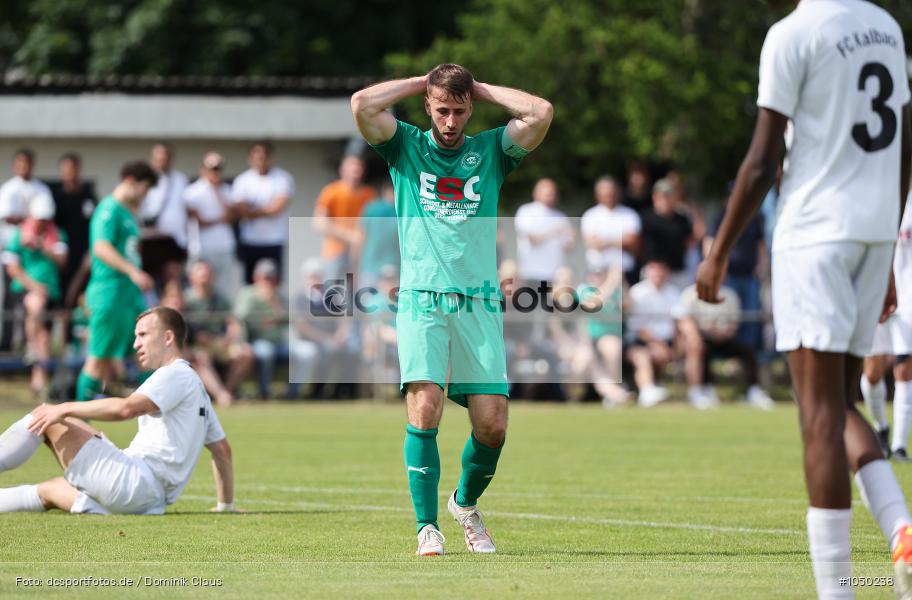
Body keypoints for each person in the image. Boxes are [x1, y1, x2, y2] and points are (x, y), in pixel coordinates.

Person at [695, 2, 912, 597]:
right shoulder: (886, 27)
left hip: (815, 234)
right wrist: (888, 245)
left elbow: (764, 160)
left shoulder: (792, 34)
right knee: (841, 404)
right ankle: (901, 528)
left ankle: (838, 591)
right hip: (871, 232)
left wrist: (716, 253)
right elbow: (906, 146)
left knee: (817, 417)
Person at [352, 62, 552, 555]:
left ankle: (463, 504)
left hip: (479, 302)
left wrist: (481, 89)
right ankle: (426, 527)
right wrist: (424, 82)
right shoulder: (404, 146)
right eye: (441, 110)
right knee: (425, 407)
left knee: (493, 424)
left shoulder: (491, 151)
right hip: (421, 298)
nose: (450, 122)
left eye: (459, 111)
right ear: (427, 106)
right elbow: (362, 104)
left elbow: (541, 112)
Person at [0, 307, 236, 515]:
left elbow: (125, 409)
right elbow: (222, 450)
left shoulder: (174, 373)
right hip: (150, 502)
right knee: (50, 490)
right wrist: (225, 506)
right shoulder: (198, 389)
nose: (136, 344)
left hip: (133, 483)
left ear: (167, 337)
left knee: (47, 416)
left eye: (143, 335)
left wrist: (63, 407)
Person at [75, 162, 157, 402]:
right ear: (131, 181)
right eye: (145, 188)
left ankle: (154, 417)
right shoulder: (108, 209)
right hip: (109, 294)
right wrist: (133, 271)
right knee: (98, 360)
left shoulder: (128, 214)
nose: (145, 194)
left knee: (147, 352)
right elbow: (100, 247)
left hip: (129, 295)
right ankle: (78, 424)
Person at [861, 187, 912, 460]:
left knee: (904, 369)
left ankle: (900, 446)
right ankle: (881, 428)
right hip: (878, 295)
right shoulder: (881, 194)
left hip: (909, 298)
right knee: (872, 373)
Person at [2, 194, 68, 396]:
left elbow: (62, 261)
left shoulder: (57, 234)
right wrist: (33, 286)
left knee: (45, 338)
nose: (42, 223)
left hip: (51, 292)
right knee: (35, 304)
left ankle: (38, 382)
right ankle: (31, 347)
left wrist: (41, 246)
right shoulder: (18, 235)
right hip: (27, 291)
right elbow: (12, 268)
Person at [677, 283, 774, 410]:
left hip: (725, 338)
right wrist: (708, 331)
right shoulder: (689, 294)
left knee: (748, 350)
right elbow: (685, 321)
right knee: (700, 348)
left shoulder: (729, 293)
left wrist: (723, 332)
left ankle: (754, 390)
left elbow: (734, 322)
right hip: (703, 338)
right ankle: (705, 389)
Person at [184, 260, 254, 407]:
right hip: (198, 345)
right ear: (191, 277)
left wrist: (231, 336)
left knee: (246, 352)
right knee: (200, 357)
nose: (205, 276)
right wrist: (195, 337)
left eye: (207, 272)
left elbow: (232, 321)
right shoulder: (186, 299)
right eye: (200, 272)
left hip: (220, 342)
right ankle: (220, 395)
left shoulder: (221, 298)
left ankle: (228, 390)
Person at [231, 141, 294, 284]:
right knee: (250, 283)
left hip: (274, 239)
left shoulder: (282, 178)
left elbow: (278, 208)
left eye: (264, 156)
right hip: (250, 240)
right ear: (250, 158)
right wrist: (266, 209)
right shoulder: (243, 180)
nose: (260, 160)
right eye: (257, 156)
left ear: (271, 157)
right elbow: (241, 210)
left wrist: (253, 211)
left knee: (273, 282)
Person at [183, 152, 243, 300]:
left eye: (218, 169)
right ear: (203, 169)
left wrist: (217, 192)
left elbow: (232, 217)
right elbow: (199, 221)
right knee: (200, 287)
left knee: (223, 289)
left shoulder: (227, 190)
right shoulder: (192, 191)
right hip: (201, 248)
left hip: (224, 246)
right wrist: (219, 219)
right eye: (212, 168)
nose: (215, 172)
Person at [314, 155, 376, 281]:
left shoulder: (369, 194)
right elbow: (318, 223)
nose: (356, 169)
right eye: (352, 165)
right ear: (342, 170)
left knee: (358, 294)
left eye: (359, 165)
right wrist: (349, 236)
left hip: (360, 254)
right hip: (335, 253)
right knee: (333, 293)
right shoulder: (331, 192)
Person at [49, 152, 97, 309]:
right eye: (66, 168)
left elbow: (96, 225)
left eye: (73, 168)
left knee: (81, 298)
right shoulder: (55, 198)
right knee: (61, 300)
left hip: (84, 256)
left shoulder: (88, 196)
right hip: (62, 258)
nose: (70, 172)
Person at [139, 143, 189, 290]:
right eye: (158, 158)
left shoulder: (180, 180)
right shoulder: (143, 181)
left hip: (173, 240)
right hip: (148, 239)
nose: (162, 161)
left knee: (172, 279)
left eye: (165, 157)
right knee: (146, 281)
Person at [581, 175, 641, 286]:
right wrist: (620, 241)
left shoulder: (630, 215)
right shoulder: (590, 215)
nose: (609, 196)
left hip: (624, 272)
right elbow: (593, 244)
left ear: (618, 192)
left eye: (611, 193)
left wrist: (606, 242)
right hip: (598, 272)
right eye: (605, 194)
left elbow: (633, 243)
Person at [514, 178, 573, 289]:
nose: (550, 196)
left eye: (552, 193)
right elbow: (532, 239)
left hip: (554, 275)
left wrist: (572, 237)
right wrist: (553, 232)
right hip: (531, 273)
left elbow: (569, 245)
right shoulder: (526, 211)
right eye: (547, 193)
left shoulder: (561, 216)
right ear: (536, 193)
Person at [640, 178, 694, 290]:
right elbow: (639, 245)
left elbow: (690, 241)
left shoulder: (682, 219)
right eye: (662, 196)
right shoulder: (646, 218)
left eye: (669, 196)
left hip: (677, 272)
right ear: (654, 197)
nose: (665, 200)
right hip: (653, 272)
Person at [358, 179, 400, 288]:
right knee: (391, 302)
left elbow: (360, 237)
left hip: (370, 266)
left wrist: (356, 264)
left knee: (365, 301)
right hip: (393, 267)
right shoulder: (401, 210)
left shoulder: (370, 208)